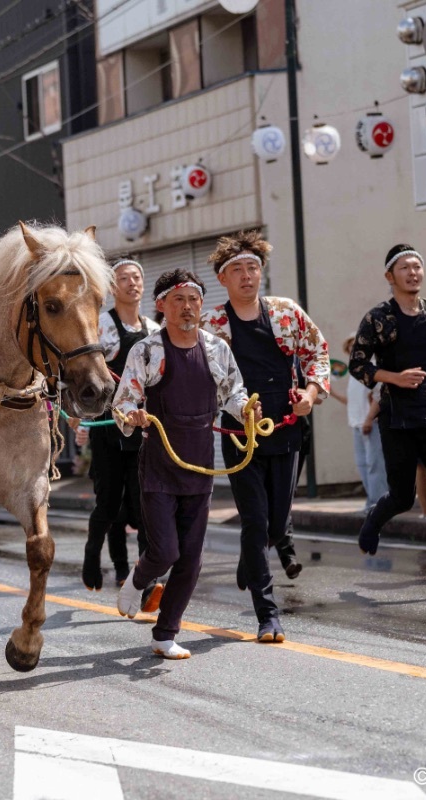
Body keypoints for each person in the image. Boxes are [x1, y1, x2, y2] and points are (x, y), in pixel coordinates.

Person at [114, 270, 256, 656]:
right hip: (159, 463)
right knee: (165, 552)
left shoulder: (216, 349)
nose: (188, 306)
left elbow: (234, 394)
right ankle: (137, 580)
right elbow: (124, 400)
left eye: (194, 299)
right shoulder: (146, 350)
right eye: (179, 299)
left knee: (191, 558)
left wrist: (247, 412)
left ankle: (165, 635)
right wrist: (133, 415)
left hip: (200, 465)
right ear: (161, 305)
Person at [202, 231, 330, 634]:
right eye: (236, 270)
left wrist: (310, 393)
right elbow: (208, 376)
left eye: (253, 268)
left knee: (276, 526)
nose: (246, 276)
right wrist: (237, 406)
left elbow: (317, 352)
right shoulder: (213, 324)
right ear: (223, 279)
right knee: (255, 523)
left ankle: (249, 559)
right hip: (240, 434)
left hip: (286, 427)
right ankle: (267, 615)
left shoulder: (286, 312)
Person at [349, 245, 426, 600]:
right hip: (397, 419)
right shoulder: (378, 317)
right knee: (403, 496)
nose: (413, 272)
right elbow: (358, 365)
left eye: (417, 266)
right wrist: (394, 377)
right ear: (390, 276)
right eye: (405, 268)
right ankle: (375, 518)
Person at [74, 258, 161, 590]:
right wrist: (81, 416)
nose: (132, 283)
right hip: (108, 425)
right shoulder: (100, 327)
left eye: (137, 277)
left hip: (142, 426)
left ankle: (144, 578)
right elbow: (83, 375)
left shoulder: (154, 331)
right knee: (109, 503)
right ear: (113, 288)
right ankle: (92, 554)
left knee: (143, 505)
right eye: (124, 278)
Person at [338, 336, 387, 512]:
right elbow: (351, 401)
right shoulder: (355, 372)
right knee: (363, 465)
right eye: (350, 346)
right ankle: (371, 503)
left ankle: (378, 505)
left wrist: (368, 419)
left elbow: (379, 395)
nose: (353, 349)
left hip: (371, 424)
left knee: (375, 465)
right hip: (357, 424)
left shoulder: (372, 368)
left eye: (355, 346)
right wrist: (331, 393)